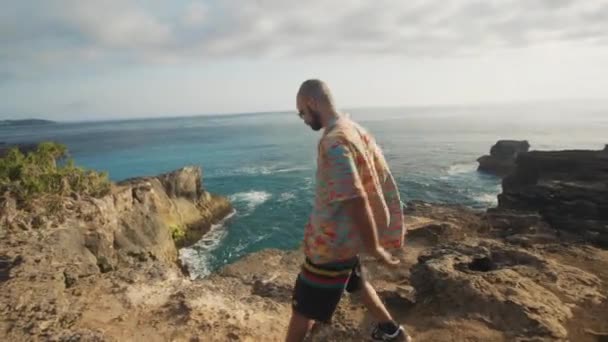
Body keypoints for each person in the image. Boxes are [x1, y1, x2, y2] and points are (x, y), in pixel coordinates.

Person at [286, 79, 411, 342]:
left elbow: (356, 197)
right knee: (358, 283)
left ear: (311, 102)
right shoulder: (354, 130)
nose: (303, 119)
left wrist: (375, 247)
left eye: (302, 112)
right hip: (347, 240)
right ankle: (392, 332)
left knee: (302, 310)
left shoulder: (333, 142)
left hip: (330, 246)